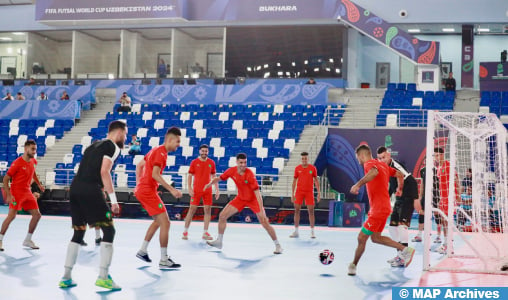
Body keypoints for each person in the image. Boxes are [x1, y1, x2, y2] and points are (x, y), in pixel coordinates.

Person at [58, 120, 126, 290]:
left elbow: (89, 169)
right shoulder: (113, 147)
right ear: (119, 133)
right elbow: (104, 171)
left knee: (78, 232)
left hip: (75, 188)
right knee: (109, 230)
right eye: (125, 134)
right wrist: (114, 200)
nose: (125, 137)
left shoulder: (92, 146)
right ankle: (103, 276)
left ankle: (66, 277)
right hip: (90, 189)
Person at [347, 145, 414, 276]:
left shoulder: (369, 164)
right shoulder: (382, 165)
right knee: (376, 238)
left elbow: (373, 173)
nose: (358, 161)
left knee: (361, 238)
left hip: (378, 209)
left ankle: (353, 265)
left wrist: (357, 185)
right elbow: (399, 174)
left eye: (358, 158)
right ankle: (405, 250)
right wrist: (399, 188)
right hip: (384, 207)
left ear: (362, 156)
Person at [204, 153, 283, 254]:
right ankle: (219, 241)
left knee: (264, 222)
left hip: (253, 200)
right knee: (222, 216)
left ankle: (278, 245)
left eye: (245, 162)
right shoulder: (231, 171)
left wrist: (262, 210)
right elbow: (219, 178)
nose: (243, 165)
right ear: (237, 162)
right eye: (241, 162)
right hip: (240, 198)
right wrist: (209, 184)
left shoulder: (249, 174)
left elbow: (257, 193)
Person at [134, 127, 183, 269]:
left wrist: (138, 185)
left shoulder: (155, 149)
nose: (178, 145)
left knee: (158, 221)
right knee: (166, 223)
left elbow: (139, 166)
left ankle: (142, 250)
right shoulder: (161, 153)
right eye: (177, 141)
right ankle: (163, 259)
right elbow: (155, 174)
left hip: (144, 189)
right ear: (169, 140)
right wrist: (172, 189)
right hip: (148, 191)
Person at [376, 146, 419, 267]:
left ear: (389, 155)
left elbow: (411, 180)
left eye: (384, 157)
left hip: (408, 197)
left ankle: (405, 255)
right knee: (392, 228)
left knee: (401, 227)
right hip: (399, 199)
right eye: (379, 158)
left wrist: (415, 199)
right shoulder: (385, 168)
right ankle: (400, 255)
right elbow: (391, 186)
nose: (382, 160)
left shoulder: (396, 166)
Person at [0, 140, 44, 251]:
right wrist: (9, 195)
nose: (34, 151)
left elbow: (33, 172)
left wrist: (39, 184)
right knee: (11, 216)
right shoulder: (17, 163)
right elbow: (5, 179)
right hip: (16, 192)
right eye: (32, 149)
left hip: (27, 192)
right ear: (26, 149)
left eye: (35, 149)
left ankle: (27, 240)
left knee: (37, 215)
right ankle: (0, 239)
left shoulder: (34, 161)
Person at [182, 144, 219, 240]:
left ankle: (205, 233)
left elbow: (214, 177)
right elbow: (190, 176)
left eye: (206, 151)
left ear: (208, 152)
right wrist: (189, 188)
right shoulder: (194, 162)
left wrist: (217, 190)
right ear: (199, 151)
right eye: (202, 151)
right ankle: (185, 232)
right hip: (196, 190)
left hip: (208, 190)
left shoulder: (211, 162)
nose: (204, 153)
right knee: (192, 210)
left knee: (207, 211)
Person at [433, 147, 460, 254]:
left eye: (437, 155)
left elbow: (456, 179)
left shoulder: (448, 165)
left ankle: (449, 246)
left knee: (448, 222)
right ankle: (446, 244)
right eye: (435, 155)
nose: (436, 157)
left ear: (442, 155)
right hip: (442, 198)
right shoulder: (439, 167)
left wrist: (457, 196)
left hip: (449, 198)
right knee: (444, 221)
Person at [289, 152, 320, 239]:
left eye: (305, 158)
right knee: (297, 210)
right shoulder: (297, 168)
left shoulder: (312, 168)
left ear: (308, 159)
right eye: (303, 159)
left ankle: (312, 232)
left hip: (309, 192)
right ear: (301, 159)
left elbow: (316, 181)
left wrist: (319, 193)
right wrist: (292, 194)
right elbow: (294, 182)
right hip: (299, 192)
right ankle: (296, 231)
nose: (304, 160)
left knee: (311, 211)